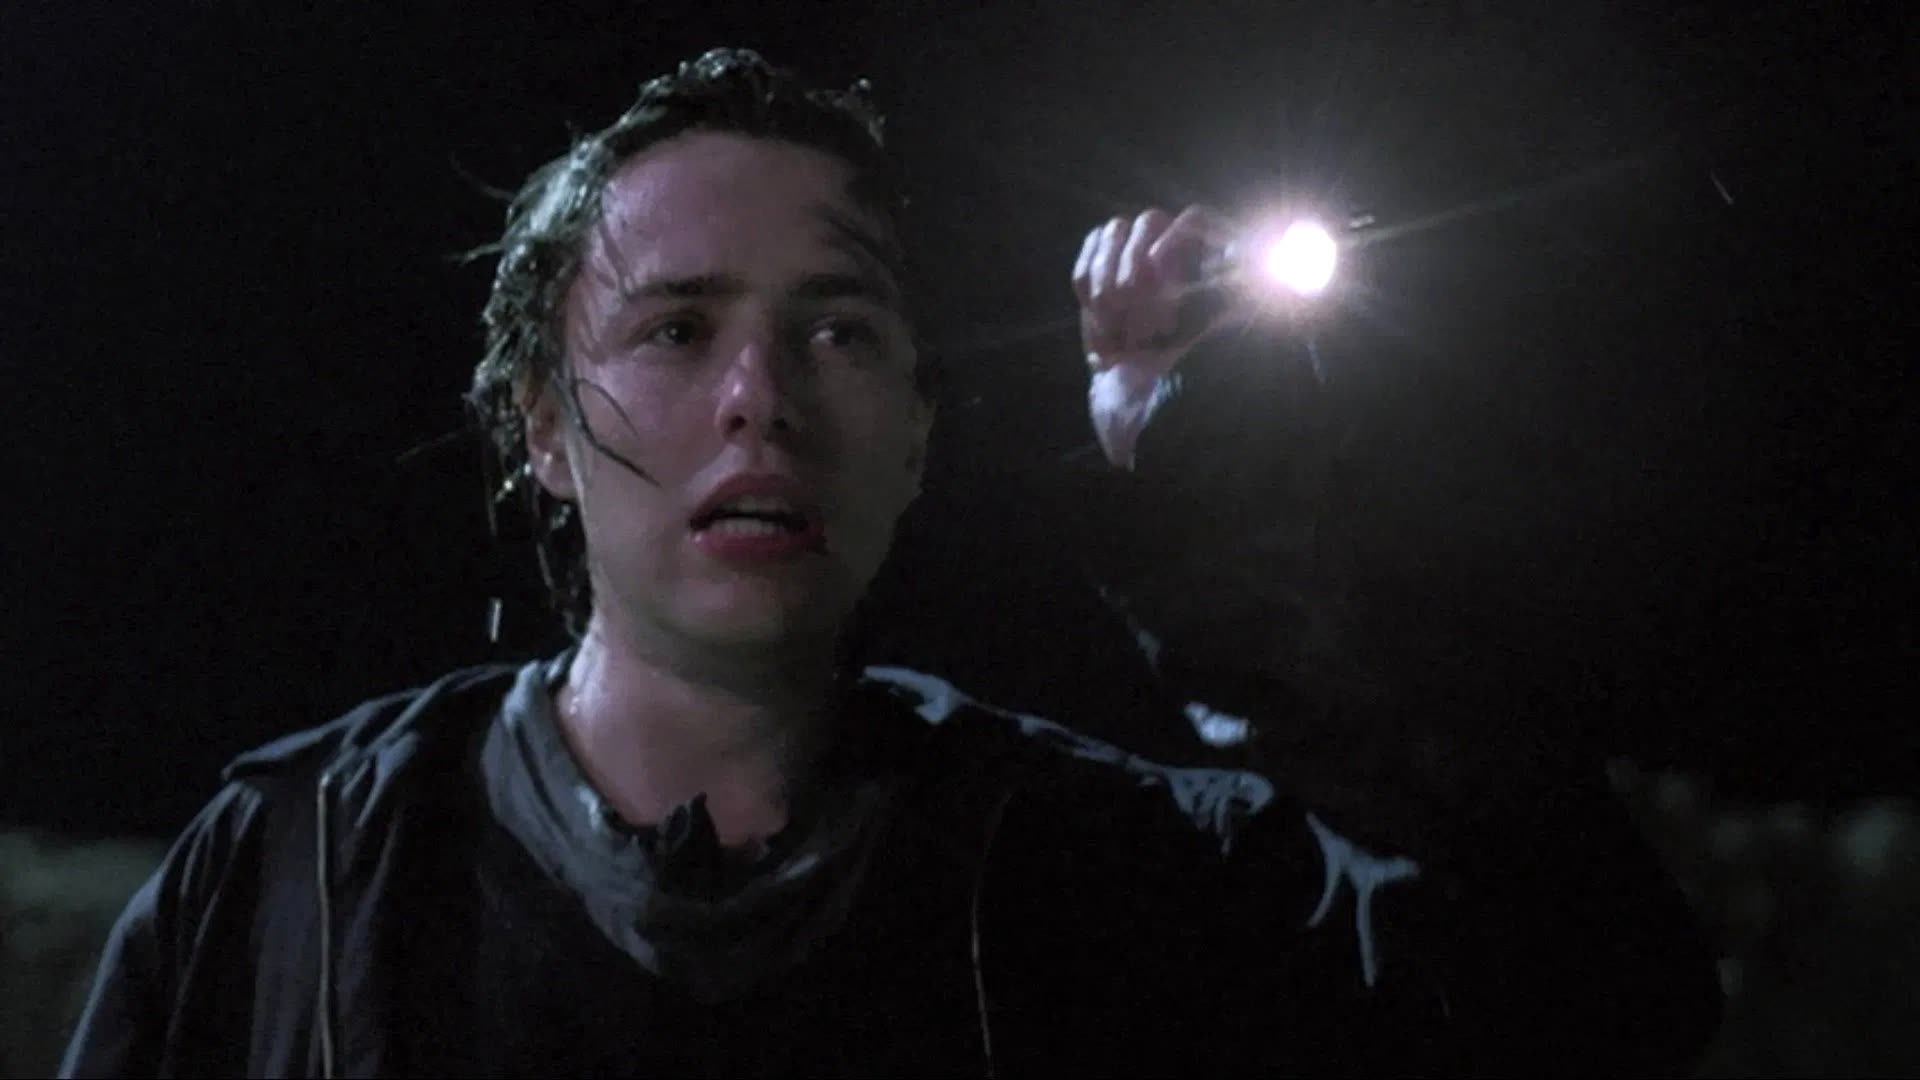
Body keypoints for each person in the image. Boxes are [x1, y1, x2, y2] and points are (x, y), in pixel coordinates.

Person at [61, 48, 1721, 1077]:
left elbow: (1597, 1000)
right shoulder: (301, 878)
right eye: (677, 327)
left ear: (919, 428)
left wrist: (1228, 534)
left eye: (838, 328)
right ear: (540, 427)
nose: (761, 399)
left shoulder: (1091, 874)